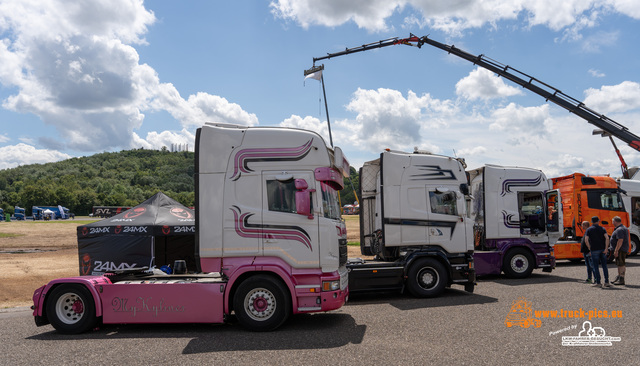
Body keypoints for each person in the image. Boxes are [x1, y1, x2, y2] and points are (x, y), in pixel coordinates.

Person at [584, 216, 610, 288]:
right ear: (598, 221)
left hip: (594, 250)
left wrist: (589, 248)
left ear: (592, 222)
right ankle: (606, 281)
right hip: (602, 249)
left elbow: (586, 240)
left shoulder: (589, 230)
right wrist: (606, 248)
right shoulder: (602, 228)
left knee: (595, 266)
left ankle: (598, 282)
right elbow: (607, 238)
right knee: (604, 266)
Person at [610, 216, 628, 285]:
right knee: (620, 264)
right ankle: (619, 277)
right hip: (622, 249)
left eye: (612, 221)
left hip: (620, 249)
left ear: (615, 222)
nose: (612, 223)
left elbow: (620, 240)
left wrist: (616, 250)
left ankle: (621, 279)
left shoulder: (619, 230)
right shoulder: (623, 228)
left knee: (621, 264)